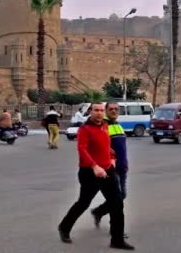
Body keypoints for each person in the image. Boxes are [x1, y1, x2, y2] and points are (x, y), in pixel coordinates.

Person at [58, 102, 134, 250]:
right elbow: (82, 150)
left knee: (117, 203)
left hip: (107, 170)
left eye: (100, 110)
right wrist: (94, 166)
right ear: (90, 112)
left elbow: (107, 145)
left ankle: (117, 240)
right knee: (83, 203)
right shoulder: (85, 129)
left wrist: (112, 157)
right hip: (89, 172)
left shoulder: (105, 125)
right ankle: (64, 227)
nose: (99, 113)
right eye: (96, 110)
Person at [91, 102, 129, 238]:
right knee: (117, 199)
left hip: (122, 167)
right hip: (110, 168)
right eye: (111, 109)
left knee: (122, 196)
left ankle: (99, 212)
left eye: (116, 109)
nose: (114, 111)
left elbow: (121, 148)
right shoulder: (103, 126)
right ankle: (116, 230)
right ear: (105, 111)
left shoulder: (118, 125)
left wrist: (125, 162)